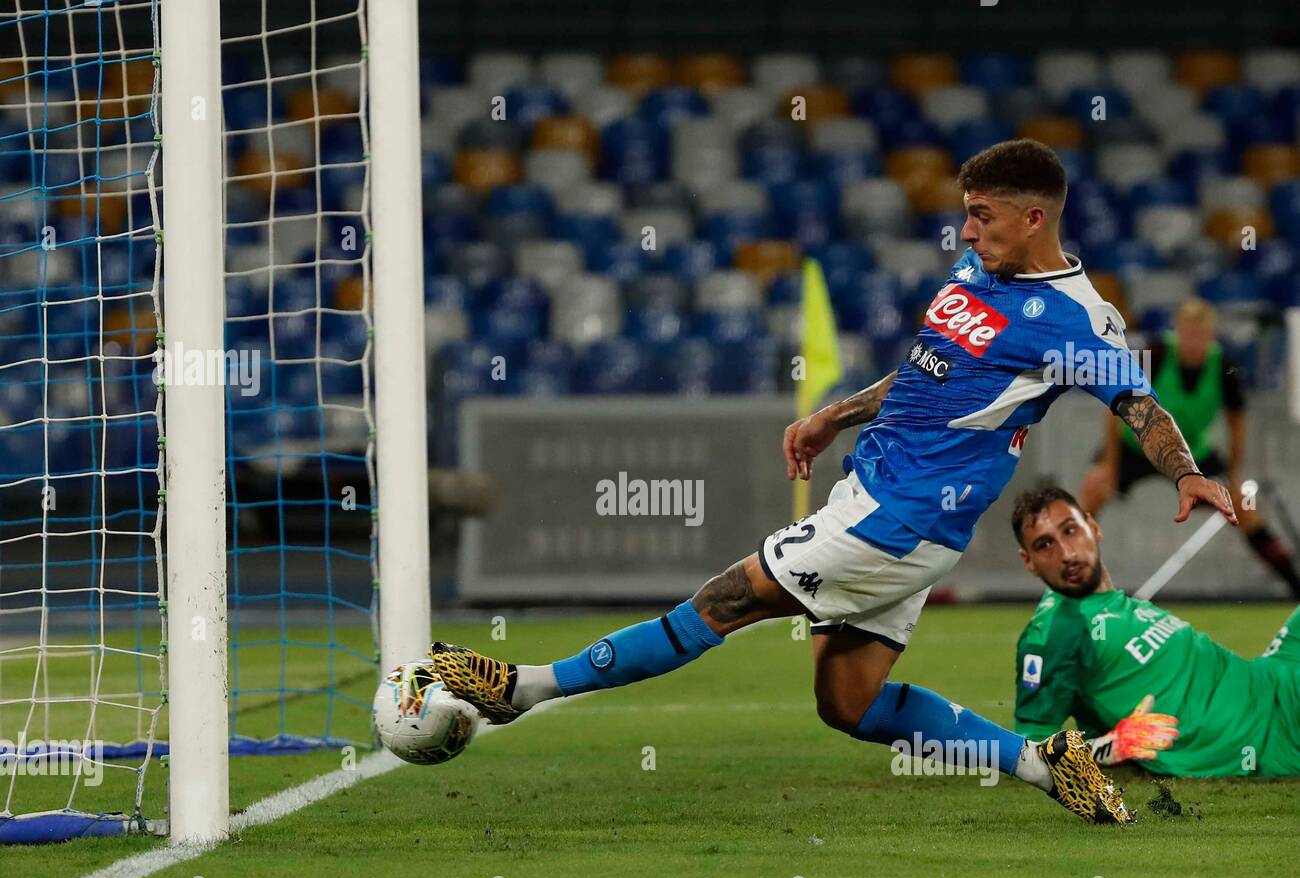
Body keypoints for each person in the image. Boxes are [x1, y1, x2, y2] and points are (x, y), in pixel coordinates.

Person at [431, 139, 1236, 824]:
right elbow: (927, 372)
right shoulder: (977, 270)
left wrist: (1189, 473)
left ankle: (522, 688)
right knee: (847, 706)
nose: (966, 227)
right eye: (965, 211)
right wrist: (836, 415)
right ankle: (1045, 767)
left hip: (900, 520)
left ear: (1035, 217)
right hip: (879, 497)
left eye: (982, 214)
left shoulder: (1077, 320)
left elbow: (1141, 405)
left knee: (724, 600)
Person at [1011, 485, 1299, 777]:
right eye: (1045, 545)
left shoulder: (1110, 604)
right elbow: (1031, 749)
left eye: (1070, 531)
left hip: (1274, 676)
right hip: (1269, 734)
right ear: (1028, 562)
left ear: (1093, 527)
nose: (1067, 553)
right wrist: (1105, 748)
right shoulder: (1054, 634)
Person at [1079, 297, 1300, 597]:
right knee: (1094, 487)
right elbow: (1117, 407)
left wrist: (1233, 476)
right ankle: (1073, 578)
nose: (1194, 342)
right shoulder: (1157, 355)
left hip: (1192, 453)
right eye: (1188, 334)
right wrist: (1110, 464)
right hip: (1138, 445)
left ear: (1211, 336)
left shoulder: (1223, 366)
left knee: (1243, 506)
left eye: (1201, 335)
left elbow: (1237, 424)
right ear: (1178, 332)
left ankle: (1294, 584)